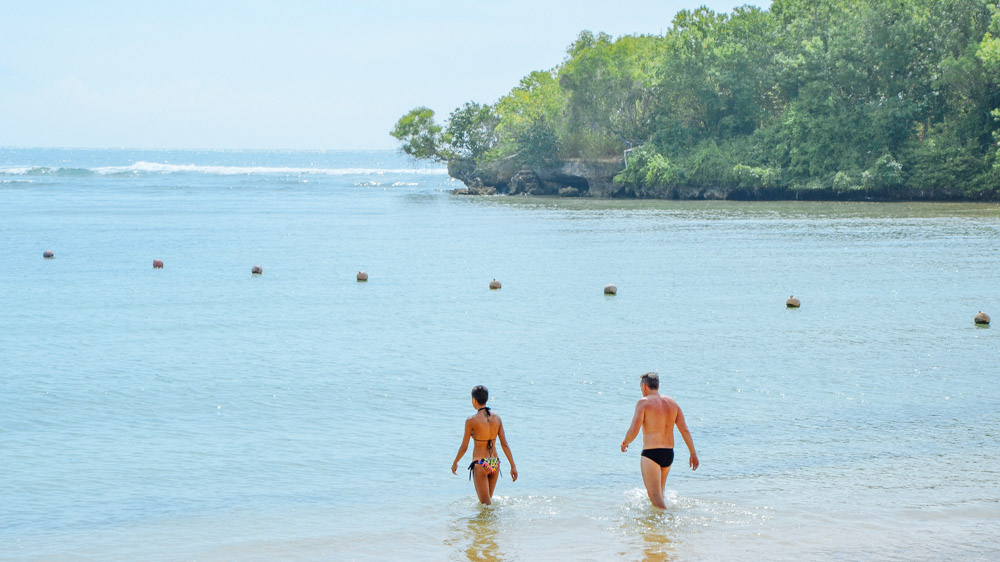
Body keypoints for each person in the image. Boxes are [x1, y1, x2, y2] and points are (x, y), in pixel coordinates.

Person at [620, 372, 699, 509]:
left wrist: (625, 443)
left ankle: (667, 525)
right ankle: (661, 527)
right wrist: (693, 453)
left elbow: (634, 429)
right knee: (660, 495)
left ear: (644, 386)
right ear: (657, 385)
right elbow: (684, 429)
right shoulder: (672, 402)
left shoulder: (643, 402)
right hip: (668, 454)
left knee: (655, 498)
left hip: (652, 454)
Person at [451, 385, 518, 504]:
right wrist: (513, 466)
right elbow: (505, 444)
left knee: (485, 505)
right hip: (495, 463)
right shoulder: (497, 418)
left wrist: (455, 462)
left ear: (474, 400)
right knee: (488, 504)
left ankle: (492, 522)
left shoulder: (471, 421)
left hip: (481, 464)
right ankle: (493, 523)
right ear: (486, 399)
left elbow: (464, 447)